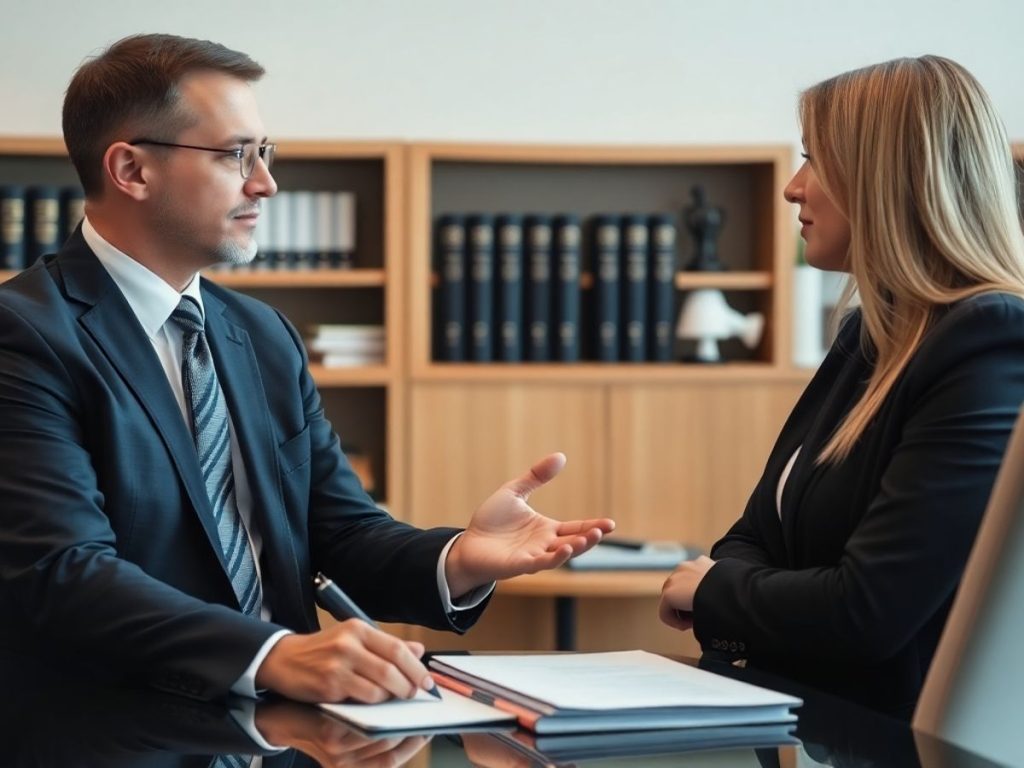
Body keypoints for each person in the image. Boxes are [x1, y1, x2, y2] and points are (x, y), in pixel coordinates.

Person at [0, 33, 614, 705]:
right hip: (122, 730)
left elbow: (340, 532)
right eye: (237, 155)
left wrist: (462, 558)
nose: (266, 182)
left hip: (295, 734)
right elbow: (63, 571)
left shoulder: (261, 334)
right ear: (132, 170)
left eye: (266, 153)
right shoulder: (25, 333)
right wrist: (272, 655)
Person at [659, 55, 1024, 719]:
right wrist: (742, 585)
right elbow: (753, 536)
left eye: (815, 160)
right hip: (810, 725)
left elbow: (867, 611)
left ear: (888, 177)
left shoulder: (988, 338)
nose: (793, 189)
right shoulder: (868, 334)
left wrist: (714, 592)